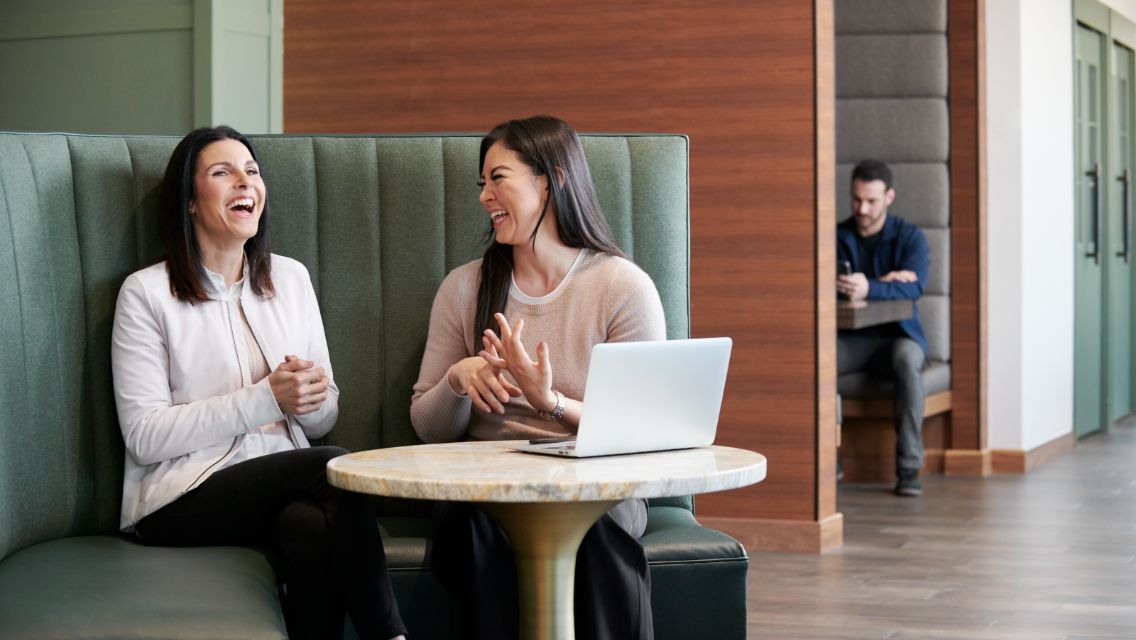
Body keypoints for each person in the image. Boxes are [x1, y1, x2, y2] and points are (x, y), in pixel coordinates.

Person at [110, 126, 407, 640]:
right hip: (177, 499)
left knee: (310, 527)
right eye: (221, 172)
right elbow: (144, 436)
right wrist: (263, 398)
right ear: (189, 201)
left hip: (272, 486)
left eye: (251, 171)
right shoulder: (146, 294)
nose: (243, 182)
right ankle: (391, 635)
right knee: (335, 466)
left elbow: (324, 415)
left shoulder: (290, 279)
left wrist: (307, 401)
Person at [410, 115, 664, 639]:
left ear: (551, 179)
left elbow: (645, 435)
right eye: (481, 183)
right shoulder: (464, 289)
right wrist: (459, 381)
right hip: (485, 490)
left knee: (591, 529)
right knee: (474, 528)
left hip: (597, 488)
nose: (484, 195)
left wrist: (549, 403)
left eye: (498, 178)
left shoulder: (622, 287)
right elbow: (426, 428)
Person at [836, 159, 930, 497]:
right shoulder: (836, 236)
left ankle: (908, 470)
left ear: (889, 196)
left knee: (908, 360)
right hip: (851, 340)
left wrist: (870, 287)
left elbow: (914, 287)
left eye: (871, 201)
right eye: (856, 199)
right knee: (820, 361)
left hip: (899, 338)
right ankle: (827, 460)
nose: (862, 208)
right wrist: (884, 281)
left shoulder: (911, 238)